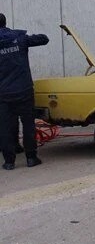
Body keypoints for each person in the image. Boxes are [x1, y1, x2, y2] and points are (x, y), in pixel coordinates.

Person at [0, 13, 49, 170]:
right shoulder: (19, 38)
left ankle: (9, 162)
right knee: (28, 124)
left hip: (4, 94)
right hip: (24, 90)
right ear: (5, 22)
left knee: (5, 127)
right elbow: (44, 38)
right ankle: (31, 158)